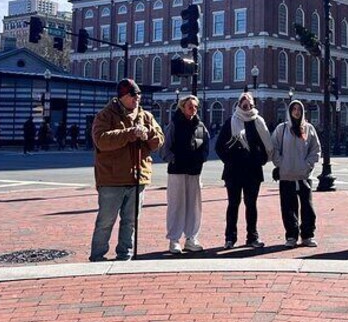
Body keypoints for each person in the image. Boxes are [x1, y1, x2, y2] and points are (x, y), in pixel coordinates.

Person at [89, 78, 164, 262]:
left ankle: (125, 255)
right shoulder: (105, 115)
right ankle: (97, 256)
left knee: (130, 222)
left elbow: (159, 140)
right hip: (112, 179)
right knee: (105, 221)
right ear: (121, 97)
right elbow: (101, 140)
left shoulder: (145, 116)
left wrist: (148, 133)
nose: (136, 99)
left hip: (138, 177)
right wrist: (130, 133)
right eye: (132, 95)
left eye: (138, 95)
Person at [216, 92, 273, 249]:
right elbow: (219, 147)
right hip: (233, 172)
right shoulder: (231, 122)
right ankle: (230, 238)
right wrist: (230, 160)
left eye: (249, 103)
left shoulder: (259, 122)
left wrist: (260, 159)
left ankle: (252, 237)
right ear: (239, 105)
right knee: (233, 204)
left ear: (253, 104)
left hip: (253, 171)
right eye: (244, 103)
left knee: (251, 205)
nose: (247, 106)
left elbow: (267, 145)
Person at [272, 100, 321, 247]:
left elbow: (315, 150)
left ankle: (307, 235)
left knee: (307, 207)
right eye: (293, 109)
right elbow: (273, 148)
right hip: (286, 175)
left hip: (303, 176)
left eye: (299, 109)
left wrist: (307, 166)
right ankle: (291, 236)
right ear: (290, 111)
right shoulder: (282, 129)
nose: (296, 111)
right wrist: (281, 164)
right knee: (288, 207)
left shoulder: (308, 129)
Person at [164, 95, 209, 254]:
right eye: (190, 106)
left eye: (195, 107)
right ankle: (174, 239)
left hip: (194, 172)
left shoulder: (200, 126)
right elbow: (165, 147)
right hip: (177, 171)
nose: (193, 109)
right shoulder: (174, 124)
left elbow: (205, 148)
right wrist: (174, 160)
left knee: (194, 206)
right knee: (176, 205)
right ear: (182, 107)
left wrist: (200, 162)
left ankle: (191, 238)